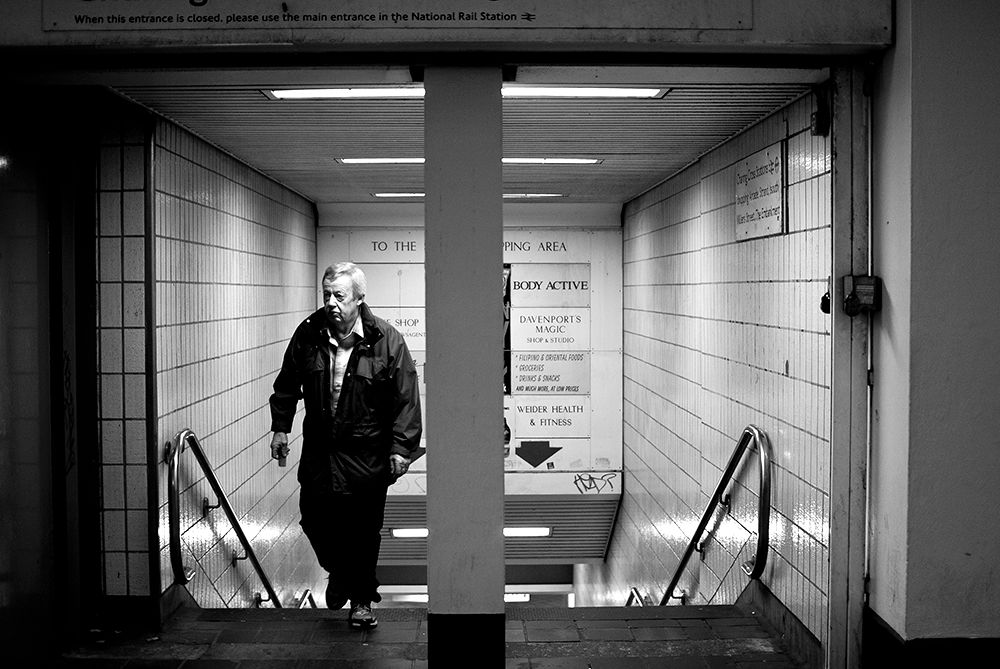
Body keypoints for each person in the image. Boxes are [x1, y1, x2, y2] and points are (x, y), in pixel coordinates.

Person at [268, 262, 422, 629]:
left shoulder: (387, 340)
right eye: (327, 295)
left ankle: (362, 600)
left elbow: (406, 398)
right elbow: (288, 382)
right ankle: (339, 572)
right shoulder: (308, 333)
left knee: (363, 530)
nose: (331, 303)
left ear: (358, 298)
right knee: (314, 518)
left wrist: (401, 448)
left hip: (366, 452)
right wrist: (280, 428)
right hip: (321, 449)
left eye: (339, 296)